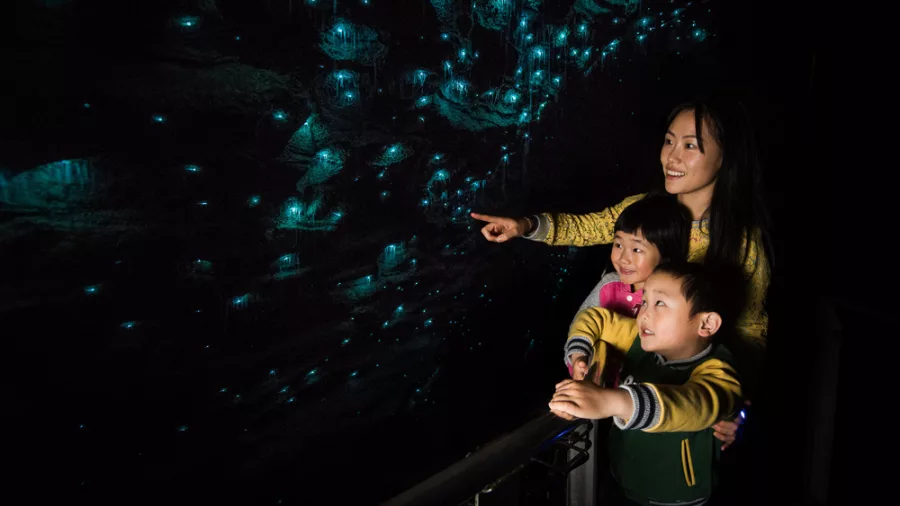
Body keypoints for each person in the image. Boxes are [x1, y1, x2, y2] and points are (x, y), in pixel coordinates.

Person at [472, 95, 772, 443]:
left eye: (690, 145)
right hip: (622, 382)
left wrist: (739, 404)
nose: (671, 157)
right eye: (669, 140)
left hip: (688, 394)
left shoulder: (741, 241)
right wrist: (525, 226)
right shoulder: (645, 208)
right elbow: (587, 227)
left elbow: (751, 331)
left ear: (726, 156)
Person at [550, 262, 747, 506]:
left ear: (706, 324)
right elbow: (596, 317)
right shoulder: (640, 336)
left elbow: (694, 404)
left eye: (660, 303)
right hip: (623, 477)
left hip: (674, 497)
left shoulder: (720, 372)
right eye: (644, 301)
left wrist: (611, 402)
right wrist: (580, 355)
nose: (643, 313)